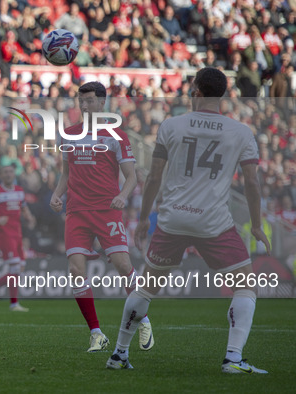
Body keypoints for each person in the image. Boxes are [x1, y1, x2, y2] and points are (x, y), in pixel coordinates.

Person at [106, 67, 270, 373]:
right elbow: (252, 183)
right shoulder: (241, 133)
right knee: (246, 287)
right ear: (222, 94)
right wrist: (257, 224)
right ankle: (233, 358)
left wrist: (144, 219)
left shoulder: (171, 125)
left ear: (195, 91)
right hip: (213, 221)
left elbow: (154, 176)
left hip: (172, 219)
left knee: (145, 288)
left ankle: (119, 354)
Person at [50, 82, 153, 353]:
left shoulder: (115, 135)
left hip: (107, 209)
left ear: (102, 104)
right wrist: (57, 194)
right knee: (75, 270)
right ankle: (96, 333)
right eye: (80, 101)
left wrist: (122, 195)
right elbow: (66, 173)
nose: (84, 106)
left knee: (122, 265)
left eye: (89, 101)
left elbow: (131, 176)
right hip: (76, 211)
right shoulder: (68, 135)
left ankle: (143, 319)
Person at [0, 164, 34, 312]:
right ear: (2, 176)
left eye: (11, 171)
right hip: (5, 234)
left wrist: (29, 218)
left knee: (19, 268)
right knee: (15, 267)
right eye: (6, 172)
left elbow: (24, 208)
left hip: (18, 233)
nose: (9, 174)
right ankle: (12, 303)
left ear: (14, 174)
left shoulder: (19, 191)